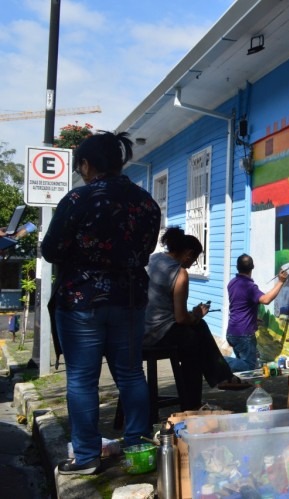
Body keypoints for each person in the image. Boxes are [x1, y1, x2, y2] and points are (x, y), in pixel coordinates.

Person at [41, 131, 161, 475]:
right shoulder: (145, 203)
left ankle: (87, 456)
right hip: (129, 299)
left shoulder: (78, 199)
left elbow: (51, 250)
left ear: (86, 164)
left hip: (82, 300)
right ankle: (138, 447)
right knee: (130, 374)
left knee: (81, 379)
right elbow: (147, 249)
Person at [144, 227, 247, 410]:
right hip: (158, 333)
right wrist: (198, 314)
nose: (192, 264)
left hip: (139, 330)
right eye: (194, 259)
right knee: (194, 340)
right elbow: (181, 318)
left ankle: (222, 378)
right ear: (189, 254)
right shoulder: (179, 273)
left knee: (195, 333)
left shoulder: (152, 259)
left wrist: (195, 317)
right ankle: (194, 402)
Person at [224, 254, 288, 372]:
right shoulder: (249, 286)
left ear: (237, 267)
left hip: (232, 332)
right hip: (244, 335)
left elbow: (241, 305)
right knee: (248, 366)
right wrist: (280, 282)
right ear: (252, 267)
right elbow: (266, 300)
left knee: (242, 369)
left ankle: (238, 385)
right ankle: (219, 361)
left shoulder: (232, 283)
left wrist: (252, 319)